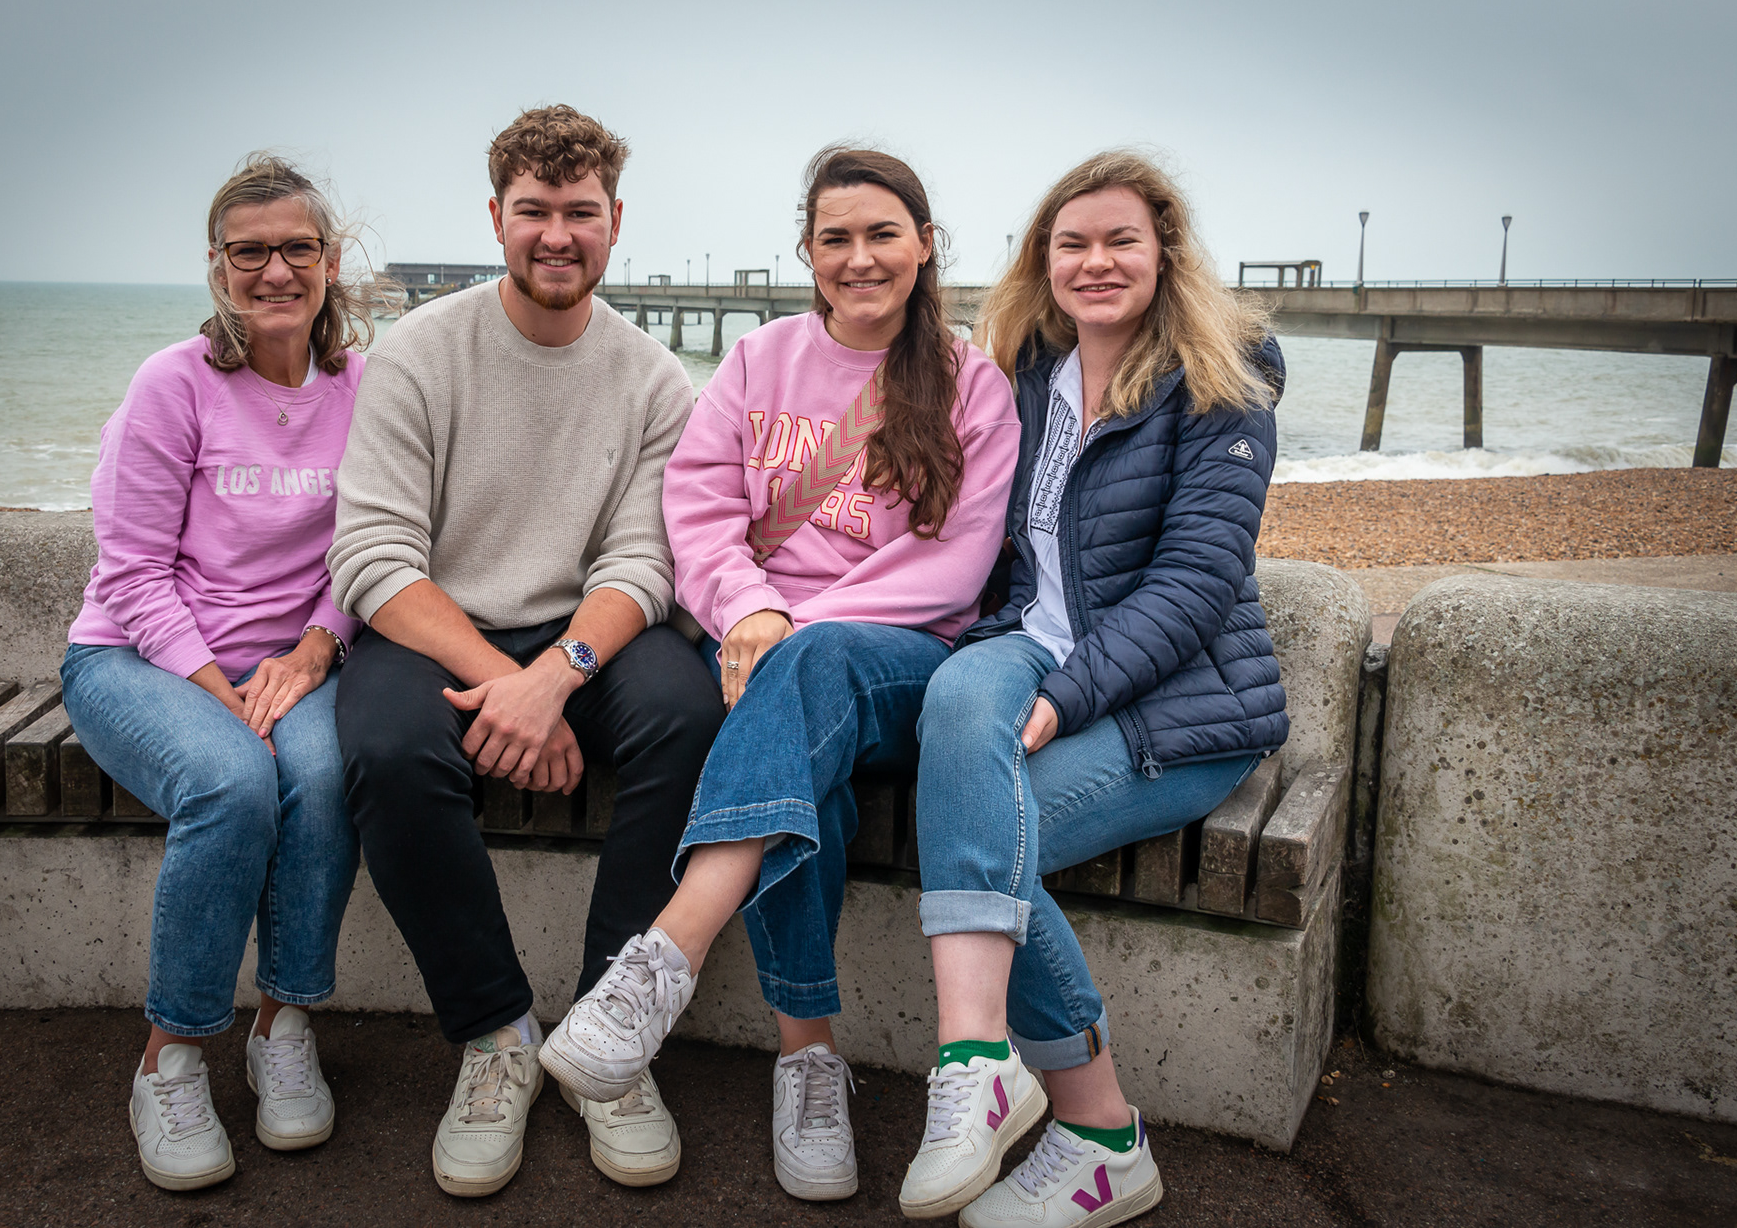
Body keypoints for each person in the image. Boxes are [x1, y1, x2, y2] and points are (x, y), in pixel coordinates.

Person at [539, 146, 1020, 1203]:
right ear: (807, 253)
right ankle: (808, 1060)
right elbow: (698, 511)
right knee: (813, 785)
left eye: (882, 234)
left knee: (810, 669)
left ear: (924, 245)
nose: (859, 258)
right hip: (754, 641)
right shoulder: (757, 365)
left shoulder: (971, 384)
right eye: (836, 238)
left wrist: (788, 620)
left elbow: (957, 563)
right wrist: (748, 606)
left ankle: (655, 968)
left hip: (897, 655)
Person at [326, 104, 724, 1198]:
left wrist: (558, 677)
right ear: (496, 216)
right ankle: (496, 1031)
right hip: (437, 624)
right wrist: (512, 687)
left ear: (616, 222)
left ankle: (611, 1030)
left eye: (581, 213)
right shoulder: (418, 355)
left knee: (690, 720)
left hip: (582, 635)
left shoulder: (651, 379)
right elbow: (371, 558)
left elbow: (648, 564)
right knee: (390, 749)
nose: (559, 234)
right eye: (536, 211)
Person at [899, 151, 1289, 1227]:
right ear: (1043, 262)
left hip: (1179, 705)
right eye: (1071, 243)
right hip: (1029, 642)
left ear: (1165, 250)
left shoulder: (1227, 369)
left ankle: (1103, 1133)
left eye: (1121, 239)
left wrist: (1069, 698)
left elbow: (1199, 580)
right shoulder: (1025, 367)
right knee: (955, 709)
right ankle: (980, 1063)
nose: (1097, 261)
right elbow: (978, 536)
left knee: (985, 829)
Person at [61, 155, 373, 1191]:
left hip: (293, 664)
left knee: (325, 776)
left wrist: (318, 642)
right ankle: (174, 1057)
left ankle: (283, 1027)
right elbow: (135, 574)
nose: (275, 269)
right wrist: (218, 693)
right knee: (234, 781)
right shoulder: (172, 384)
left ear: (328, 261)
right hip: (140, 659)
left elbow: (373, 547)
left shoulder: (364, 389)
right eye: (251, 251)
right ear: (218, 266)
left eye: (297, 248)